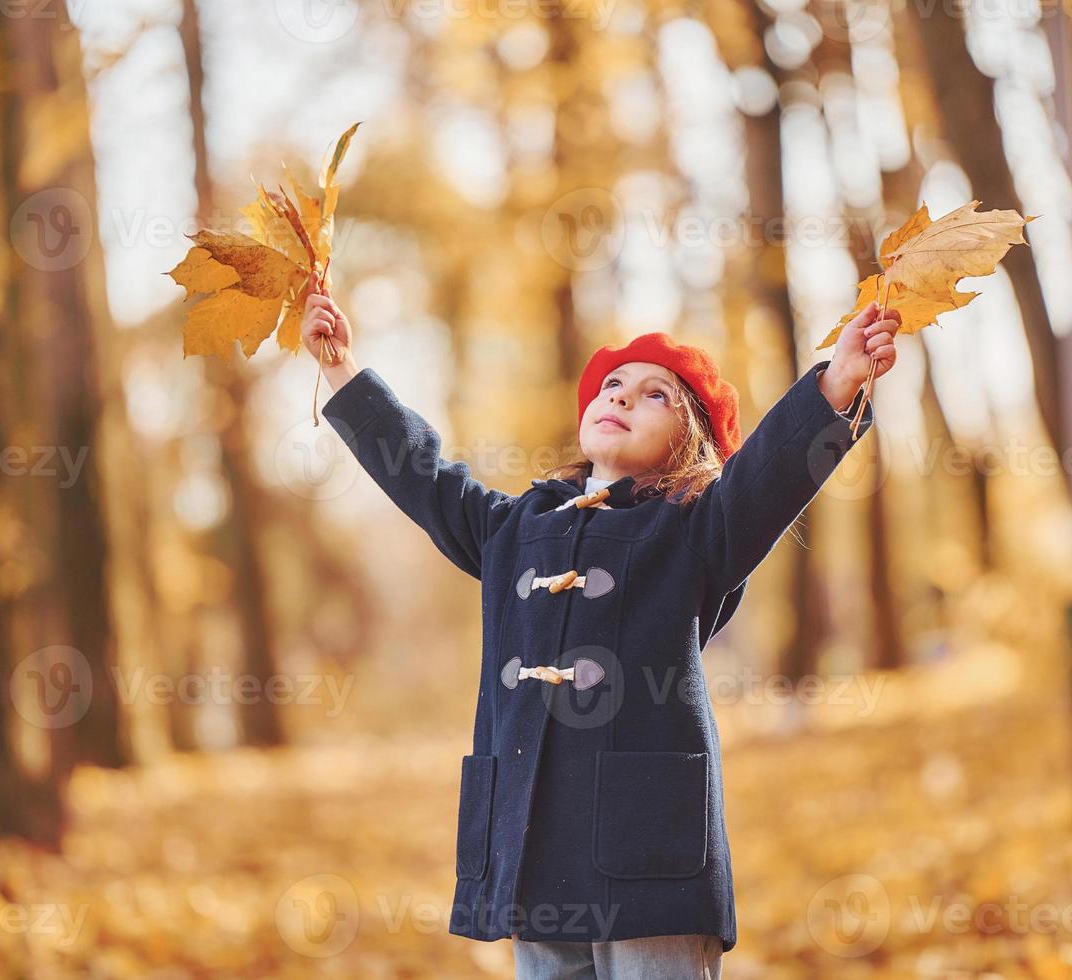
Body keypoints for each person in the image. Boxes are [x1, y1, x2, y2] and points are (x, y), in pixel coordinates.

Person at [304, 275, 898, 979]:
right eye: (613, 383)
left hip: (649, 860)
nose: (621, 394)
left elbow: (767, 477)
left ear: (691, 444)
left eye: (656, 394)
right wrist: (340, 365)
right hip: (528, 848)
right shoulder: (510, 527)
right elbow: (423, 477)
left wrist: (837, 382)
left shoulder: (694, 532)